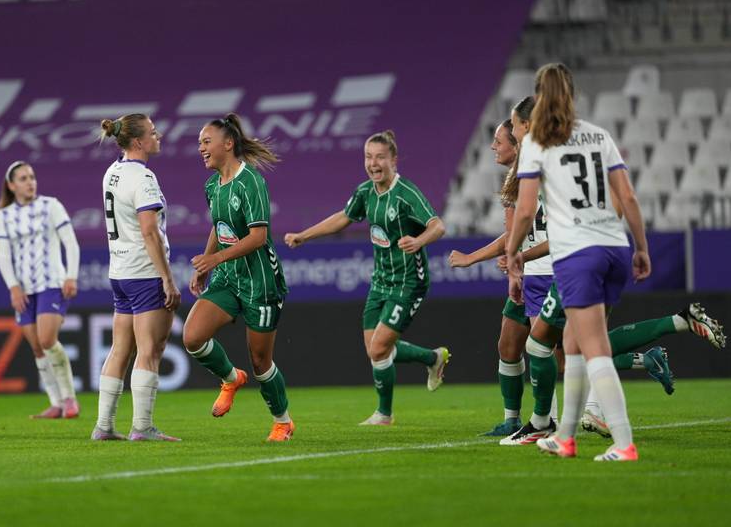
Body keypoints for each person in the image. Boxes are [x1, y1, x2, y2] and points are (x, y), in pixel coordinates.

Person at [507, 62, 649, 461]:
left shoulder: (536, 143)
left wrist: (513, 251)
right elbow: (629, 198)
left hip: (578, 254)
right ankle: (564, 436)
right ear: (571, 94)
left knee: (594, 349)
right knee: (571, 341)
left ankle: (624, 444)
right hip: (614, 247)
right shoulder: (597, 135)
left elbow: (525, 210)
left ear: (539, 96)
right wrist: (641, 248)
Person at [285, 130, 450, 425]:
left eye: (380, 158)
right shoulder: (365, 192)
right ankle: (432, 359)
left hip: (408, 282)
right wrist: (304, 236)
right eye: (368, 157)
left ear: (394, 160)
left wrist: (418, 241)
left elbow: (438, 225)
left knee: (378, 348)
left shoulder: (406, 194)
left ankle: (384, 414)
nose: (373, 164)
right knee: (375, 350)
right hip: (380, 280)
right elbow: (343, 218)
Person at [181, 113, 294, 442]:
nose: (201, 148)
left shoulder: (252, 182)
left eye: (206, 142)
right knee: (192, 337)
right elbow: (219, 227)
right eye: (200, 143)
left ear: (227, 144)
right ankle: (231, 378)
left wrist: (214, 258)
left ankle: (282, 421)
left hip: (260, 282)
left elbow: (258, 237)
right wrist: (206, 267)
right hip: (228, 279)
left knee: (261, 360)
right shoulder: (212, 185)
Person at [448, 115, 547, 436]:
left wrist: (473, 258)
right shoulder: (511, 181)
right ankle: (512, 419)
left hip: (551, 273)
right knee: (508, 345)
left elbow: (524, 234)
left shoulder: (540, 176)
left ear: (517, 145)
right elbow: (512, 235)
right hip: (527, 274)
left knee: (564, 356)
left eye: (499, 141)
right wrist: (511, 270)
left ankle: (641, 359)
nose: (493, 146)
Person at [90, 114, 182, 442]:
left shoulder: (112, 172)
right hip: (144, 274)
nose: (158, 136)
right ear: (139, 142)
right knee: (149, 351)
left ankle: (104, 425)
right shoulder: (143, 178)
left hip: (119, 272)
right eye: (153, 132)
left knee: (120, 349)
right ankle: (142, 427)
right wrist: (167, 279)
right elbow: (149, 231)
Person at [0, 161, 80, 419]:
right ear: (11, 186)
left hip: (52, 283)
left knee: (46, 340)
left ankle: (69, 399)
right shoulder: (4, 216)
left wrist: (71, 276)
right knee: (37, 348)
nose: (30, 182)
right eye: (23, 178)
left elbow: (71, 244)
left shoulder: (50, 206)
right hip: (24, 289)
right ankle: (55, 403)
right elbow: (4, 256)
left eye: (31, 176)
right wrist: (13, 288)